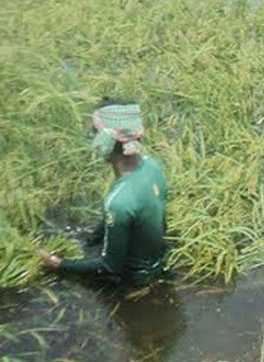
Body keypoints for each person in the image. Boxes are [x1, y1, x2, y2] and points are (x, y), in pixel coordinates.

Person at [40, 99, 169, 286]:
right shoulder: (152, 166)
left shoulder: (118, 202)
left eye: (95, 132)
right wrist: (90, 241)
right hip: (158, 260)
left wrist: (57, 264)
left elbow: (110, 267)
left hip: (134, 279)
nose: (92, 138)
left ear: (108, 141)